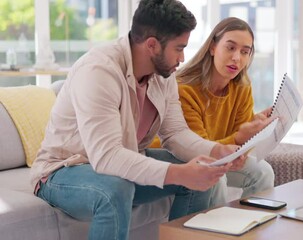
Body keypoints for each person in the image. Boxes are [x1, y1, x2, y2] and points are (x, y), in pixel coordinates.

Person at [30, 1, 246, 239]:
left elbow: (176, 134)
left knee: (205, 172)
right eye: (178, 48)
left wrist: (217, 151)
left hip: (124, 160)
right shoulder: (99, 70)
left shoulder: (163, 73)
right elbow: (107, 156)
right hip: (63, 171)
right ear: (152, 45)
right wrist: (179, 173)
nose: (183, 58)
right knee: (115, 190)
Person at [150, 17, 276, 207]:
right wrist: (240, 138)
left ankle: (252, 229)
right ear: (212, 48)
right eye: (230, 48)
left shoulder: (242, 88)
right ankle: (218, 234)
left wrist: (253, 132)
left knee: (263, 171)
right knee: (216, 178)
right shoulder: (185, 89)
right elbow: (197, 149)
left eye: (245, 52)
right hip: (178, 156)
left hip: (218, 154)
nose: (237, 58)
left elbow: (240, 148)